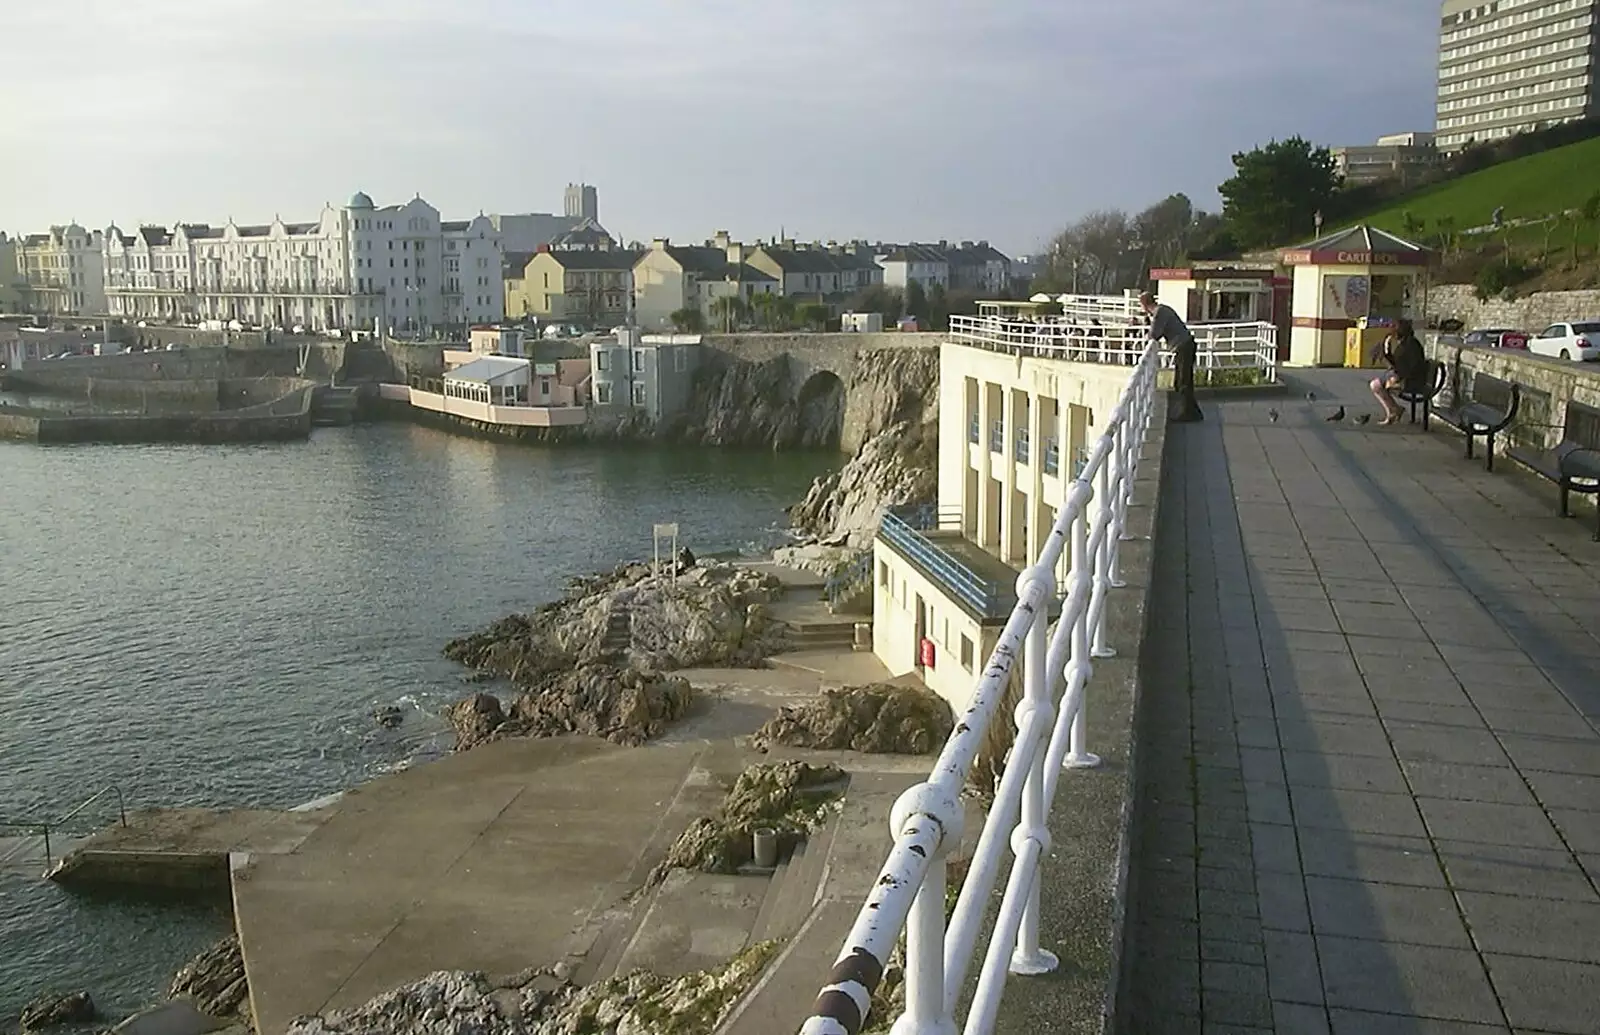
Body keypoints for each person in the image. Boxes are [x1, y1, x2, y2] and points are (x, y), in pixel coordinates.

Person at [1139, 292, 1202, 422]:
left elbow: (1155, 334)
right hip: (1185, 345)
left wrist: (1145, 336)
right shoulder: (1163, 309)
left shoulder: (1159, 313)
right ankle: (1194, 412)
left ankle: (1188, 413)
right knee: (1183, 380)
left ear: (1144, 305)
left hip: (1183, 346)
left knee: (1182, 381)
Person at [1370, 319, 1426, 426]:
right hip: (1402, 377)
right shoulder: (1405, 343)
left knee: (1376, 385)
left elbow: (1413, 367)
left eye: (1395, 331)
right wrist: (1387, 352)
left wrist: (1398, 378)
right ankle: (1394, 411)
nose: (1394, 335)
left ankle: (1393, 411)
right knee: (1376, 385)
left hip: (1412, 381)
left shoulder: (1411, 345)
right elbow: (1397, 363)